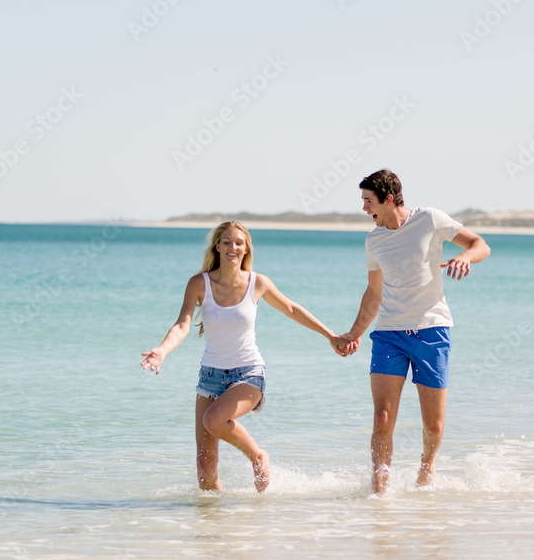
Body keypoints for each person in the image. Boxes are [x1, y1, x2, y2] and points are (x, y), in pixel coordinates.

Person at [141, 221, 337, 493]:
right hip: (209, 376)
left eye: (239, 243)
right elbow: (183, 323)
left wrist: (331, 336)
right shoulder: (199, 283)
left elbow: (291, 309)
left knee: (213, 421)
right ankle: (219, 528)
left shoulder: (258, 282)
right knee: (205, 471)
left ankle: (258, 456)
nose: (233, 247)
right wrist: (162, 350)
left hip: (248, 374)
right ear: (217, 247)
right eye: (227, 242)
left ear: (246, 249)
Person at [331, 169, 491, 493]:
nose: (364, 209)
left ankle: (427, 470)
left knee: (433, 425)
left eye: (368, 202)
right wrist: (355, 332)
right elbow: (374, 293)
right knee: (382, 419)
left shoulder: (429, 219)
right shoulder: (374, 240)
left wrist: (465, 257)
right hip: (389, 332)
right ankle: (380, 489)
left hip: (432, 330)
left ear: (389, 199)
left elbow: (479, 244)